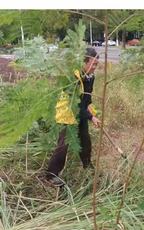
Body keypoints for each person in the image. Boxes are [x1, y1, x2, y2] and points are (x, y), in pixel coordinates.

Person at [46, 47, 102, 186]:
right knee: (63, 145)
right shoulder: (74, 77)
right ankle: (51, 175)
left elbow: (86, 99)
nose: (95, 67)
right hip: (68, 112)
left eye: (96, 64)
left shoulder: (90, 76)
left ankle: (87, 166)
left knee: (85, 140)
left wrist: (92, 113)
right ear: (84, 62)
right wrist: (91, 117)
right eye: (92, 64)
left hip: (81, 111)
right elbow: (77, 104)